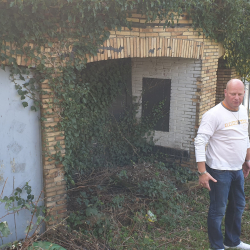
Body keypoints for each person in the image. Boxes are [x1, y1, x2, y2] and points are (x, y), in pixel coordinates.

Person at [194, 79, 250, 250]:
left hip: (237, 170)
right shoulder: (213, 114)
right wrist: (202, 172)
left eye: (240, 94)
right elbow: (199, 141)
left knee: (238, 205)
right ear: (225, 92)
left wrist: (247, 160)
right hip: (218, 171)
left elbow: (244, 136)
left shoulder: (243, 111)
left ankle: (232, 241)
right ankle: (217, 246)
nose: (236, 97)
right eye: (233, 94)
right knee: (218, 210)